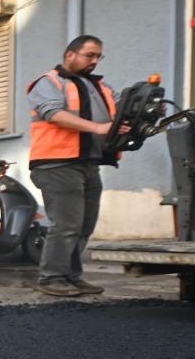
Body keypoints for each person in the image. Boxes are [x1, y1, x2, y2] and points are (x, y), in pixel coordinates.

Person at [26, 35, 126, 298]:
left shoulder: (100, 87)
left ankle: (70, 276)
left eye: (98, 56)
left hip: (89, 163)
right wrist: (99, 128)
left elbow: (122, 108)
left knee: (84, 225)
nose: (95, 61)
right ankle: (51, 278)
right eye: (89, 55)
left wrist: (149, 109)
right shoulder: (49, 83)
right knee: (67, 224)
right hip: (57, 164)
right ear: (70, 55)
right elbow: (53, 113)